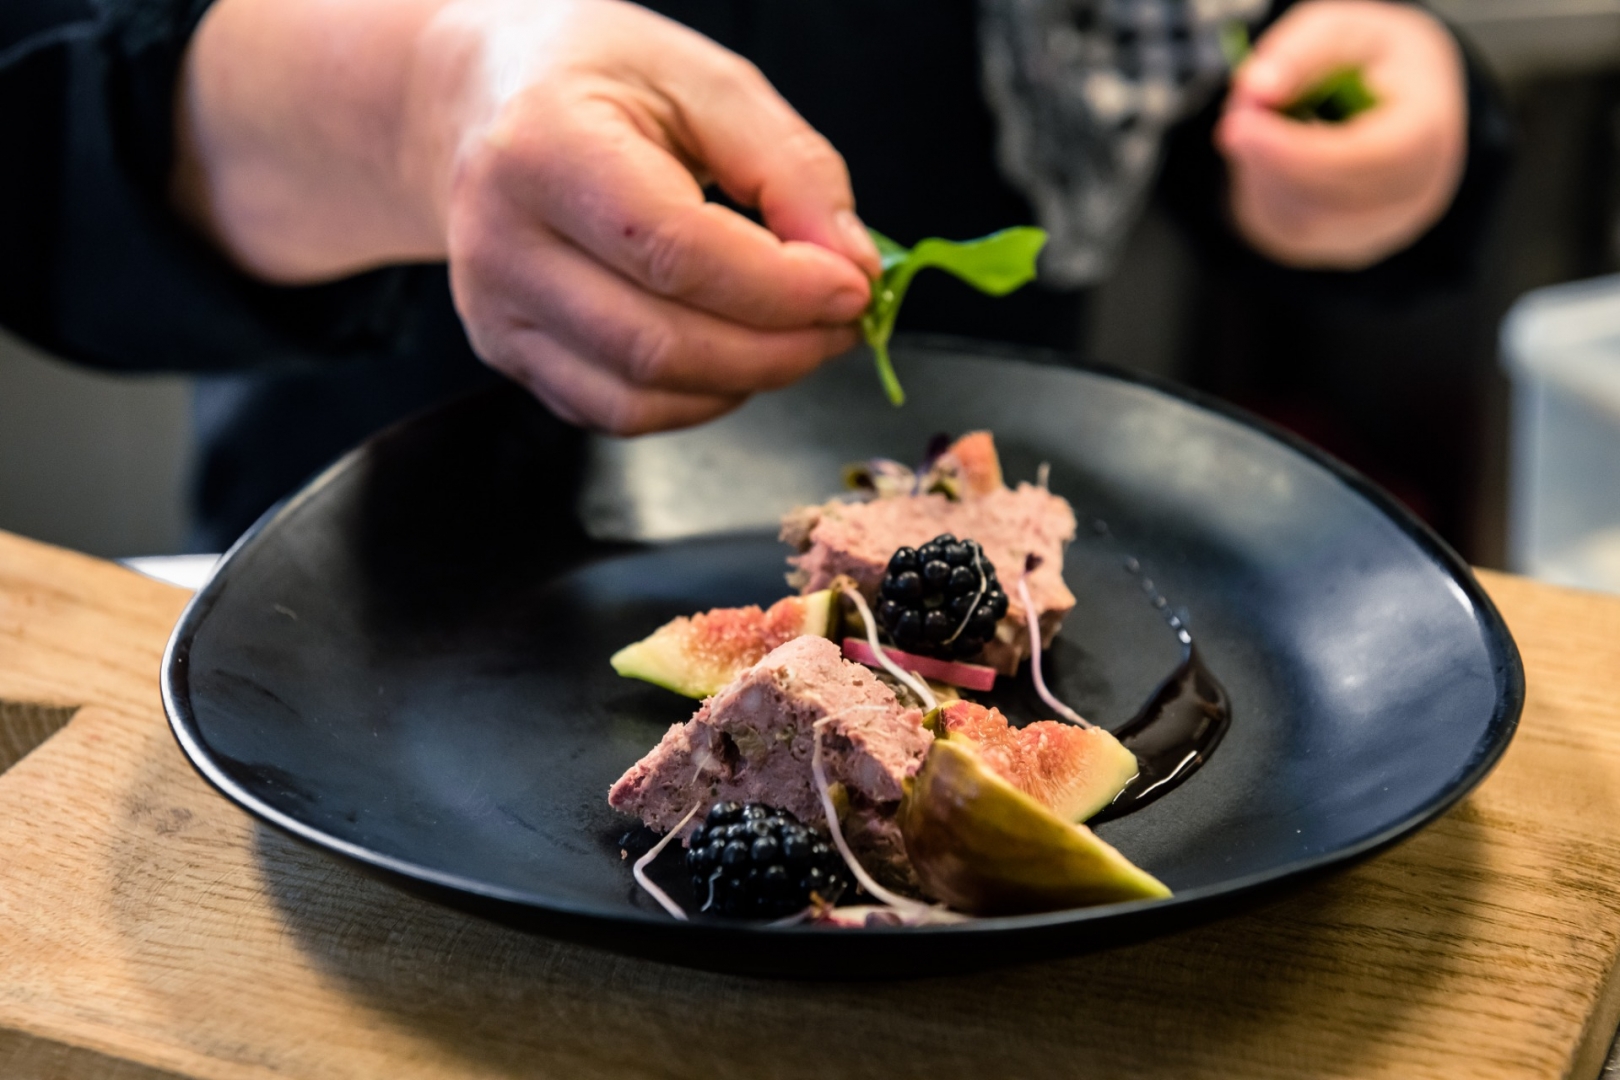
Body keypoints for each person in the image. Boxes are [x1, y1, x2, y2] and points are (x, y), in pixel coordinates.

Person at [1, 0, 1496, 548]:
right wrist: (418, 103)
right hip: (380, 607)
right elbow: (38, 137)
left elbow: (1190, 61)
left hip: (991, 578)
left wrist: (1394, 118)